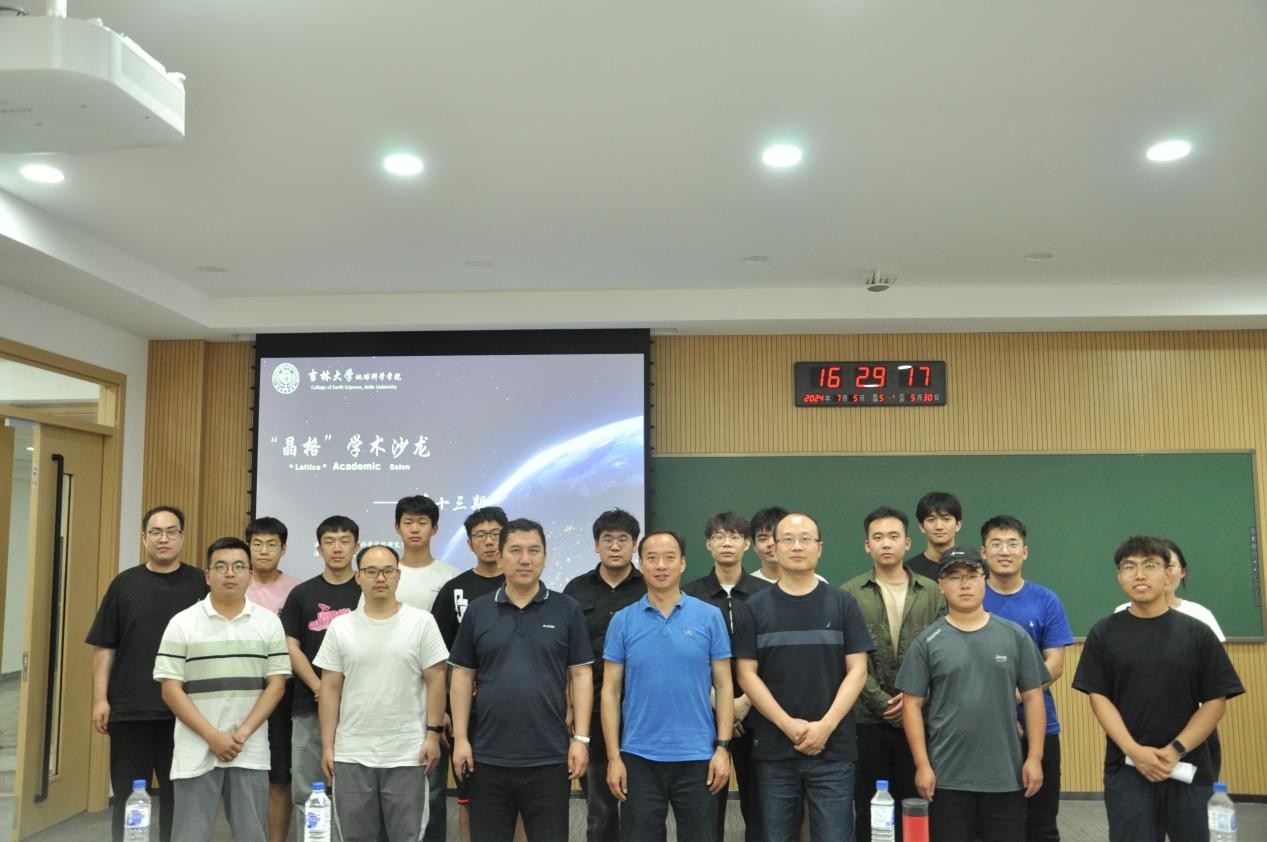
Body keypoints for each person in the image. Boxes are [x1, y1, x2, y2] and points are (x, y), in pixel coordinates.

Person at [1072, 535, 1244, 842]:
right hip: (1127, 768)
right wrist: (1133, 750)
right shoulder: (1104, 633)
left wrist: (1175, 749)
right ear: (1119, 576)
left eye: (1150, 566)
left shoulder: (1197, 633)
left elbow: (1215, 701)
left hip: (1189, 766)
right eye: (1129, 567)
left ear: (1168, 573)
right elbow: (1099, 697)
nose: (1139, 574)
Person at [449, 518, 594, 841]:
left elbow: (581, 674)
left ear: (545, 557)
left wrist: (581, 739)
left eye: (533, 550)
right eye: (515, 550)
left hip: (550, 755)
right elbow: (461, 675)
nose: (525, 559)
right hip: (487, 755)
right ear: (500, 557)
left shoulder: (567, 609)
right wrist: (460, 739)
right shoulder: (479, 610)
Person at [734, 512, 872, 842]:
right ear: (774, 548)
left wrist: (825, 727)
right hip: (774, 749)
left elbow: (858, 671)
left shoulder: (843, 603)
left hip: (834, 748)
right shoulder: (754, 608)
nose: (797, 546)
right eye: (788, 540)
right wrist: (787, 725)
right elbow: (746, 675)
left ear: (819, 548)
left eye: (805, 539)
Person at [895, 546, 1048, 842]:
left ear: (984, 581)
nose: (964, 584)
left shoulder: (1014, 635)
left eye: (972, 575)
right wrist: (922, 765)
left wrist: (1035, 757)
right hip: (946, 777)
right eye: (954, 577)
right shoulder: (927, 641)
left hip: (1006, 776)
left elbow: (1033, 697)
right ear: (941, 586)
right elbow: (911, 705)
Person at [153, 537, 290, 842]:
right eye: (221, 566)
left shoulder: (269, 623)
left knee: (252, 835)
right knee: (189, 835)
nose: (230, 573)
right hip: (195, 748)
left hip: (250, 748)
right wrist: (213, 736)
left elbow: (277, 685)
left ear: (250, 575)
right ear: (207, 575)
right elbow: (170, 689)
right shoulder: (182, 623)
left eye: (239, 566)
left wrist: (241, 733)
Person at [86, 505, 207, 842]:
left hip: (187, 712)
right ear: (144, 538)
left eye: (171, 531)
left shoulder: (201, 583)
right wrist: (100, 699)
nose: (163, 538)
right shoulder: (124, 585)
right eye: (156, 532)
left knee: (180, 799)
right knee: (129, 798)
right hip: (130, 709)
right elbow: (105, 646)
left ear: (182, 537)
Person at [602, 530, 733, 841]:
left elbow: (725, 685)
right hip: (639, 756)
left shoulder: (709, 616)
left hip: (699, 756)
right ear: (641, 564)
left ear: (683, 563)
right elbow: (610, 691)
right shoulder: (623, 620)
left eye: (669, 557)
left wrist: (723, 748)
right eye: (652, 558)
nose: (661, 565)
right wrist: (614, 757)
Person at [315, 545, 449, 842]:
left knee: (407, 836)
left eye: (388, 571)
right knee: (355, 837)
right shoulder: (340, 626)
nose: (380, 578)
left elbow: (436, 680)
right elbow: (330, 688)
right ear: (358, 577)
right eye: (372, 571)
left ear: (397, 576)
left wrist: (432, 735)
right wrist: (328, 745)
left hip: (407, 753)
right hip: (352, 752)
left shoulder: (422, 622)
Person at [840, 506, 945, 842]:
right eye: (878, 537)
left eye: (893, 536)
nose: (886, 543)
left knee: (918, 803)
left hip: (922, 718)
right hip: (867, 721)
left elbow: (941, 654)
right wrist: (885, 703)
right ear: (867, 545)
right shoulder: (848, 593)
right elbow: (847, 657)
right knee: (870, 807)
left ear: (907, 543)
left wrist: (916, 700)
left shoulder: (932, 591)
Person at [979, 515, 1073, 842]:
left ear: (1025, 551)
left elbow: (1055, 664)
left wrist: (1015, 698)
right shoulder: (969, 597)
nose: (1004, 551)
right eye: (996, 544)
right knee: (990, 826)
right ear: (984, 552)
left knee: (1040, 825)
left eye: (1012, 544)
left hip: (1039, 727)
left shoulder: (1046, 599)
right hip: (981, 729)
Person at [683, 511, 771, 841]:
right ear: (708, 544)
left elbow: (772, 655)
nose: (727, 543)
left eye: (734, 536)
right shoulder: (689, 595)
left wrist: (744, 702)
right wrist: (722, 706)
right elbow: (687, 659)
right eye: (719, 537)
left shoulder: (767, 594)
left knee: (759, 807)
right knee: (707, 806)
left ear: (747, 544)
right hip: (703, 712)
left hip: (758, 711)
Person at [564, 508, 647, 842]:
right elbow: (564, 654)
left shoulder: (649, 586)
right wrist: (569, 703)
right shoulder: (576, 589)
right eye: (607, 539)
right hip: (593, 708)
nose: (615, 546)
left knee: (642, 805)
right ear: (596, 545)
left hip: (642, 708)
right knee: (600, 809)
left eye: (623, 539)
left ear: (634, 545)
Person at [280, 515, 362, 840]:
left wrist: (340, 693)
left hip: (359, 708)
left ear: (356, 546)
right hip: (308, 705)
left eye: (344, 541)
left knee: (356, 793)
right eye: (329, 541)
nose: (337, 548)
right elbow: (291, 646)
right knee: (307, 790)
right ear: (319, 548)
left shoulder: (367, 591)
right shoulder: (302, 594)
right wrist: (321, 688)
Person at [433, 506, 510, 842]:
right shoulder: (454, 590)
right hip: (468, 713)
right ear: (469, 544)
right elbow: (437, 657)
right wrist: (443, 709)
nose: (489, 541)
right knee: (468, 795)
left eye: (496, 534)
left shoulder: (524, 584)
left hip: (516, 710)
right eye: (481, 535)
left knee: (519, 796)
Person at [391, 495, 459, 841]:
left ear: (435, 528)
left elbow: (455, 646)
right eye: (408, 522)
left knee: (433, 787)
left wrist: (445, 703)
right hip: (392, 694)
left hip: (436, 695)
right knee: (391, 787)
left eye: (422, 522)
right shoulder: (386, 574)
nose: (415, 529)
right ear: (397, 527)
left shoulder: (450, 578)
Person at [245, 516, 301, 842]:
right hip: (241, 690)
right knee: (243, 774)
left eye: (271, 544)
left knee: (280, 774)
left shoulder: (297, 590)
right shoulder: (234, 584)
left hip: (282, 691)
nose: (264, 551)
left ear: (284, 549)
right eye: (257, 544)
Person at [1113, 538, 1226, 639]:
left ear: (1183, 571)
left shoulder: (1200, 614)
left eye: (1170, 566)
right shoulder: (1121, 613)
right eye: (1150, 566)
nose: (1141, 575)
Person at [905, 492, 963, 581]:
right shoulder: (908, 572)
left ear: (958, 525)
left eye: (946, 519)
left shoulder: (973, 567)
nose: (939, 526)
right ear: (922, 527)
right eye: (931, 520)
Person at [748, 506, 790, 584]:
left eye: (777, 536)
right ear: (754, 546)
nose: (771, 543)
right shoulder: (746, 587)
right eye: (763, 538)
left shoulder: (811, 584)